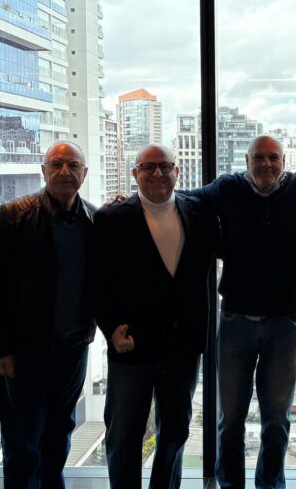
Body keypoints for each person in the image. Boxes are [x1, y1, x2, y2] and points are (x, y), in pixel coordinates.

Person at [189, 135, 296, 489]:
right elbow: (187, 200)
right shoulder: (228, 188)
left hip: (284, 326)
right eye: (259, 158)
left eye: (273, 157)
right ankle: (231, 484)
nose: (266, 164)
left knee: (276, 421)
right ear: (247, 162)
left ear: (283, 162)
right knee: (230, 420)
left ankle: (270, 484)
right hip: (235, 323)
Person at [0, 140, 97, 489]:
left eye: (73, 165)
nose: (64, 171)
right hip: (24, 352)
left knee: (59, 436)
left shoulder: (93, 219)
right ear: (43, 171)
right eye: (56, 164)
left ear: (84, 174)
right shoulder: (13, 215)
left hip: (73, 350)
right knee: (23, 442)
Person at [92, 144, 217, 489]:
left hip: (183, 348)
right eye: (148, 167)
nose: (157, 173)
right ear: (134, 174)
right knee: (124, 435)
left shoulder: (200, 213)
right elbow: (97, 282)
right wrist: (110, 331)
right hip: (132, 345)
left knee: (175, 433)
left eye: (164, 166)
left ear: (177, 171)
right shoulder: (110, 218)